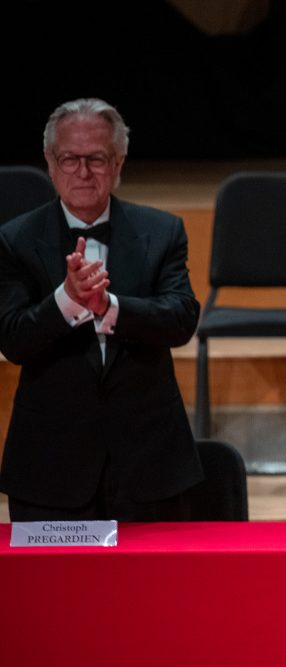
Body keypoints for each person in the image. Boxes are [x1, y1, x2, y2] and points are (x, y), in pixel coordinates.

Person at [0, 98, 202, 521]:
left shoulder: (162, 231)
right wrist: (67, 301)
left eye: (96, 158)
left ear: (119, 163)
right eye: (70, 159)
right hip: (50, 466)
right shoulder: (15, 240)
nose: (84, 172)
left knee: (155, 590)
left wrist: (109, 307)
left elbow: (181, 319)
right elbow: (13, 339)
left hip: (152, 464)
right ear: (50, 164)